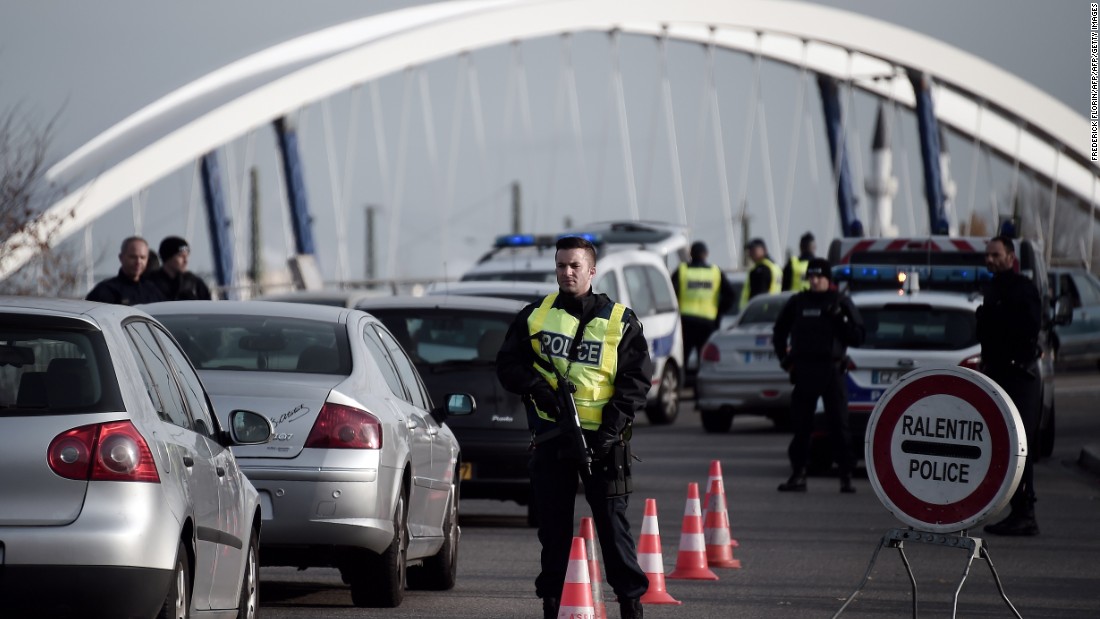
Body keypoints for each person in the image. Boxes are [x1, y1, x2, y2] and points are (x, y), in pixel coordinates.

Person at [496, 235, 651, 619]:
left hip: (605, 441)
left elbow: (636, 381)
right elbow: (507, 365)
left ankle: (630, 603)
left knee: (614, 529)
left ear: (592, 271)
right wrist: (537, 388)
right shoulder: (534, 315)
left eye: (574, 266)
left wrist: (611, 429)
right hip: (553, 437)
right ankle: (552, 601)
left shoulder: (620, 321)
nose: (566, 272)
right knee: (553, 529)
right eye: (561, 265)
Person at [772, 258, 864, 493]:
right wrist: (786, 361)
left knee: (838, 424)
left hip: (831, 370)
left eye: (818, 277)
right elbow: (779, 332)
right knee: (802, 425)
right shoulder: (798, 302)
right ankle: (798, 474)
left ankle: (845, 476)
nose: (814, 281)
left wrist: (839, 319)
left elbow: (859, 336)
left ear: (827, 279)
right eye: (810, 277)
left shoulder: (840, 302)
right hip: (804, 370)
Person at [978, 235, 1043, 536]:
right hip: (999, 374)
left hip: (1019, 377)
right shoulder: (993, 289)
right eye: (987, 255)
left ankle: (1025, 512)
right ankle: (1016, 510)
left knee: (1021, 445)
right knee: (1003, 444)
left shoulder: (1022, 288)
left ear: (1010, 257)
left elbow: (1028, 328)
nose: (990, 259)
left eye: (995, 254)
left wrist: (995, 317)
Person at [671, 241, 736, 383]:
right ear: (706, 254)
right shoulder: (715, 272)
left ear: (690, 254)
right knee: (705, 361)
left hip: (686, 322)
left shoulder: (682, 270)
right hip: (708, 323)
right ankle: (700, 392)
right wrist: (718, 312)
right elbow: (730, 295)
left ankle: (679, 388)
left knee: (683, 358)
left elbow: (670, 293)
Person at [85, 236, 166, 305]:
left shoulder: (153, 291)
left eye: (142, 257)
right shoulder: (105, 291)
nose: (138, 262)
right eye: (133, 257)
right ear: (121, 257)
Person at [147, 236, 213, 300]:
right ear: (168, 257)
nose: (186, 261)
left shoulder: (195, 284)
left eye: (187, 256)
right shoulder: (150, 283)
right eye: (181, 256)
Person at [740, 237, 782, 310]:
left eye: (753, 250)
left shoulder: (761, 269)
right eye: (749, 251)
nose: (750, 254)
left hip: (761, 310)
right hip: (774, 308)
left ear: (763, 250)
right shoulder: (774, 266)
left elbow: (758, 295)